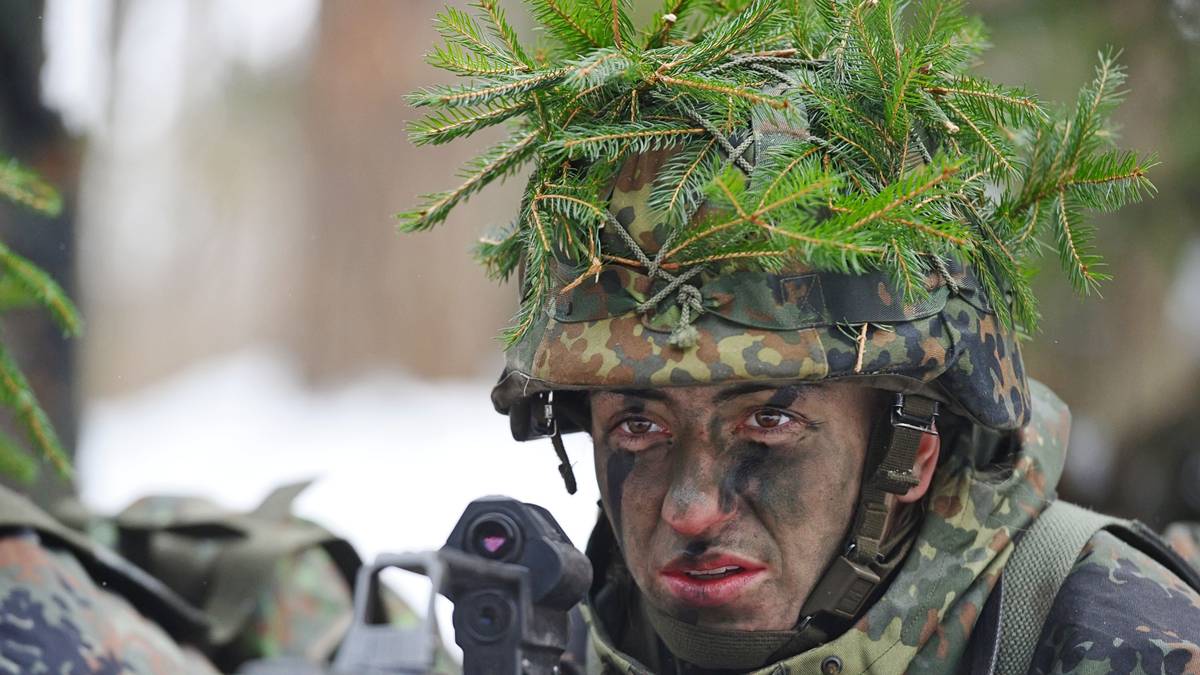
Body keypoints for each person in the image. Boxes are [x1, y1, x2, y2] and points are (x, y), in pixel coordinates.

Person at [403, 0, 1200, 672]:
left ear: (912, 451)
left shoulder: (1108, 635)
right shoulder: (568, 638)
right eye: (638, 425)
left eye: (770, 420)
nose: (690, 506)